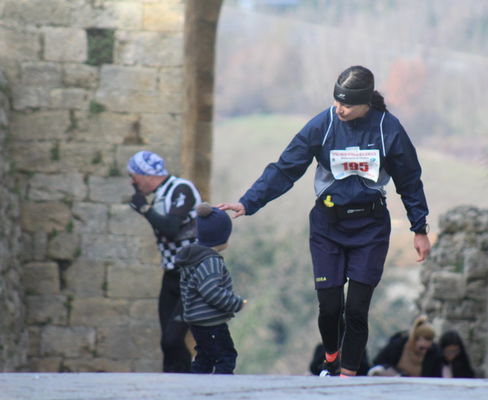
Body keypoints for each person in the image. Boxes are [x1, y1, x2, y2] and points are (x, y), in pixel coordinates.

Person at [219, 65, 431, 377]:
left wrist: (419, 228)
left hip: (370, 228)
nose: (339, 109)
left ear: (365, 104)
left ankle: (346, 377)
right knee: (330, 308)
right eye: (336, 102)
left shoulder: (389, 129)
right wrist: (249, 201)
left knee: (357, 310)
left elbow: (410, 180)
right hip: (328, 227)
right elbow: (286, 167)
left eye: (346, 104)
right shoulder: (324, 124)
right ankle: (331, 355)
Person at [127, 150, 202, 373]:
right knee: (167, 343)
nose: (131, 182)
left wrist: (144, 209)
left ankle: (190, 383)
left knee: (172, 339)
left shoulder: (181, 188)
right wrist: (147, 209)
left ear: (147, 175)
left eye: (133, 176)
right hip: (171, 275)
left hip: (191, 275)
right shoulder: (160, 194)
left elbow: (170, 228)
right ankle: (172, 388)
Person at [175, 202, 246, 374]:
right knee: (226, 357)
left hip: (197, 321)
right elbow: (211, 291)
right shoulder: (210, 261)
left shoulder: (194, 257)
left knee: (205, 358)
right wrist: (236, 303)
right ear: (223, 236)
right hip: (211, 322)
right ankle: (221, 391)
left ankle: (197, 389)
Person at [368, 315, 442, 377]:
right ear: (415, 340)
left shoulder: (434, 353)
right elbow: (379, 362)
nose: (425, 351)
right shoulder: (398, 345)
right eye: (422, 348)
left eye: (427, 348)